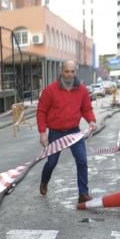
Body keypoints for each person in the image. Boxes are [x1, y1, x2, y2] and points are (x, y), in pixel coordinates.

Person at [37, 60, 97, 201]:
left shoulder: (82, 90)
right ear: (61, 72)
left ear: (75, 72)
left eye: (72, 72)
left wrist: (92, 120)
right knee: (51, 162)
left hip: (74, 132)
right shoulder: (50, 90)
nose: (70, 75)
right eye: (67, 71)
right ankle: (44, 181)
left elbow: (86, 109)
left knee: (82, 160)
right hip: (56, 133)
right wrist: (42, 132)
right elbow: (41, 111)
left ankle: (83, 194)